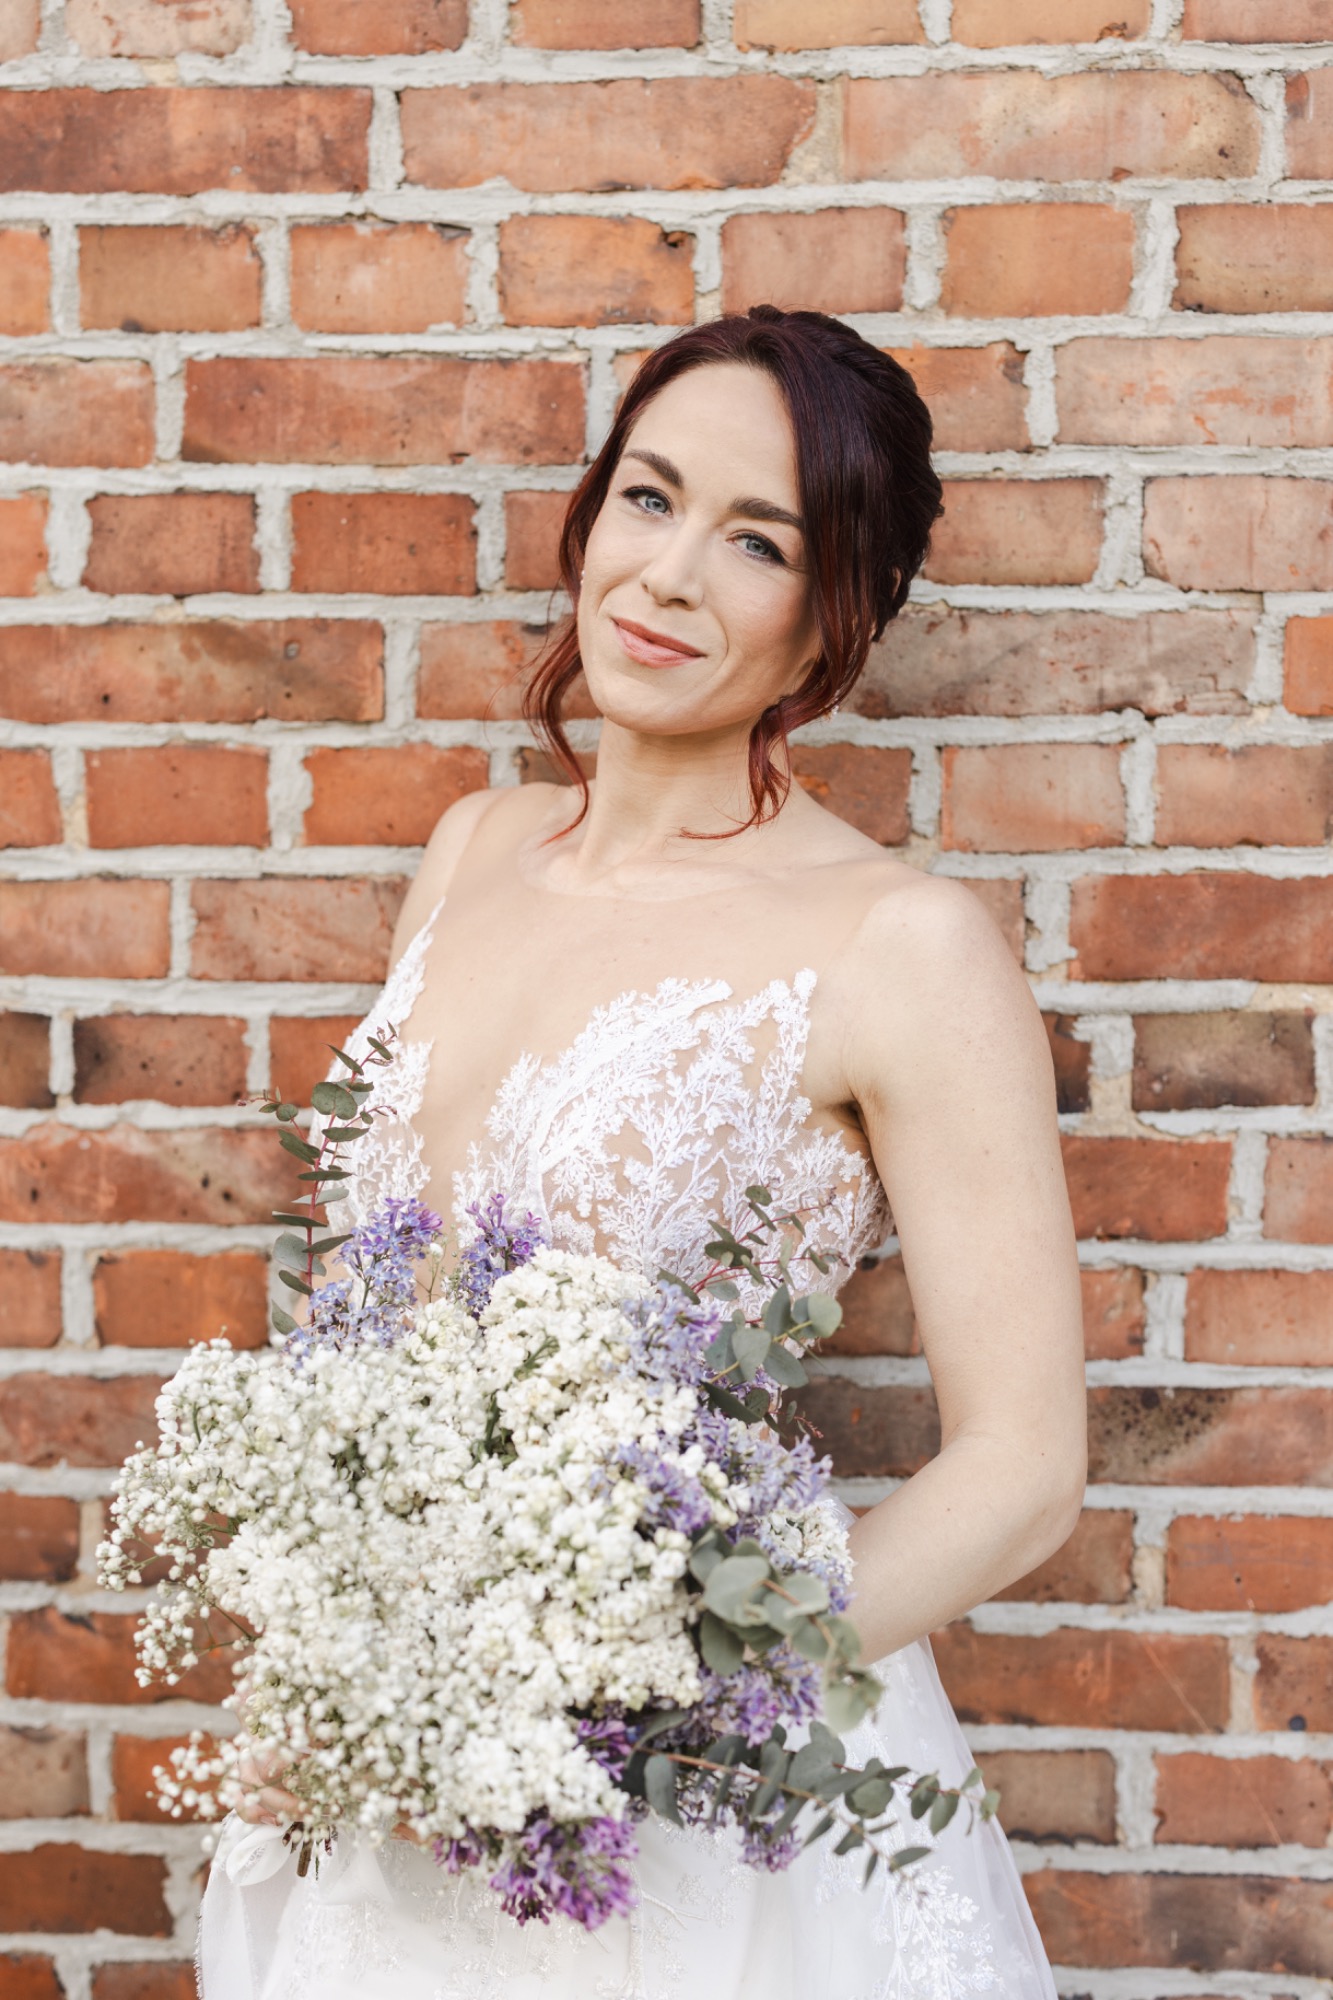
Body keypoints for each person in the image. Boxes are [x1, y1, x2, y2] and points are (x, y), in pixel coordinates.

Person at [201, 305, 1087, 1997]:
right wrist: (337, 1643)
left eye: (757, 541)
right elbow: (364, 1324)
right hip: (388, 1760)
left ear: (835, 614)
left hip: (684, 1809)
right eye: (649, 497)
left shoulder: (900, 947)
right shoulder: (473, 849)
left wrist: (622, 1697)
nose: (667, 576)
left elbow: (1025, 1463)